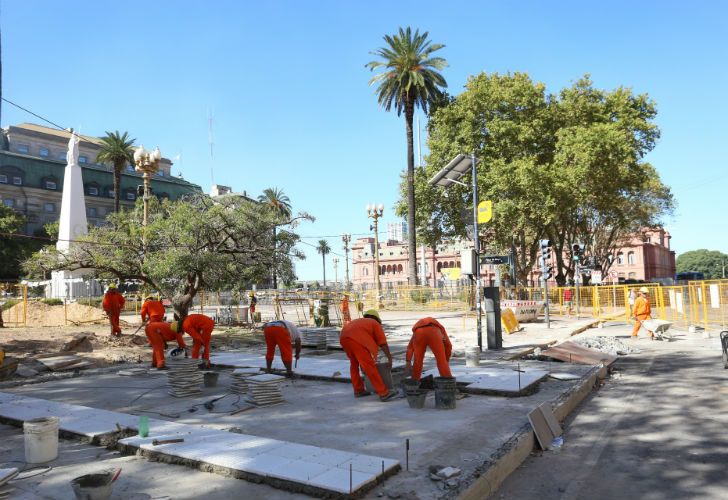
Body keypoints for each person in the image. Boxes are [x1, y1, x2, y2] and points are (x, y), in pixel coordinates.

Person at [339, 309, 398, 402]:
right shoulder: (374, 323)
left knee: (354, 364)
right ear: (377, 319)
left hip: (343, 338)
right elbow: (383, 343)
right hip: (355, 340)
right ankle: (384, 393)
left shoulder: (360, 322)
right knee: (369, 366)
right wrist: (389, 358)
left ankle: (358, 390)